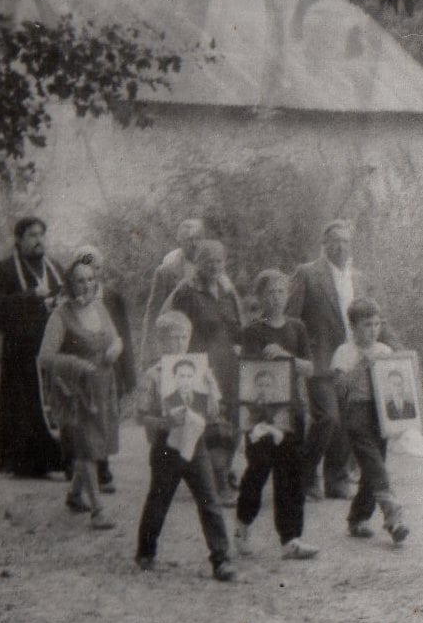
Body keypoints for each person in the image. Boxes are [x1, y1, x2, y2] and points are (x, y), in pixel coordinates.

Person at [134, 311, 236, 580]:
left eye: (183, 337)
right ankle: (146, 552)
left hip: (196, 443)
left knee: (209, 498)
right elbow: (140, 415)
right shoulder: (154, 375)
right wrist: (164, 421)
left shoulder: (201, 371)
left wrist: (213, 403)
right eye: (172, 338)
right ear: (160, 341)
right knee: (159, 499)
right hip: (166, 446)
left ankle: (221, 558)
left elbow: (214, 410)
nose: (179, 343)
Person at [234, 270, 317, 561]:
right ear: (260, 297)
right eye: (270, 292)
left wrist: (286, 356)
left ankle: (291, 539)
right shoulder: (252, 332)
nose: (277, 298)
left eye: (282, 292)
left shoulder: (297, 328)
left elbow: (309, 368)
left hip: (291, 413)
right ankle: (243, 524)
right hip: (260, 414)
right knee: (258, 470)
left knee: (291, 476)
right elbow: (248, 374)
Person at [38, 260, 124, 530]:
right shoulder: (60, 315)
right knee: (86, 446)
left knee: (96, 442)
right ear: (69, 284)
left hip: (102, 385)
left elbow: (116, 338)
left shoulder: (99, 308)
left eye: (90, 279)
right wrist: (76, 365)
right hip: (75, 390)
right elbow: (45, 357)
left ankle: (75, 495)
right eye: (79, 280)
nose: (86, 285)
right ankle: (97, 510)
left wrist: (115, 349)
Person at [287, 220, 363, 499]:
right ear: (324, 244)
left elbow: (372, 318)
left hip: (351, 359)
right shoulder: (307, 274)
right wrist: (294, 357)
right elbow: (291, 318)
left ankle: (337, 479)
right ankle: (305, 477)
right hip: (318, 360)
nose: (341, 246)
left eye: (345, 241)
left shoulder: (358, 277)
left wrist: (397, 348)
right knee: (327, 418)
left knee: (347, 419)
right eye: (335, 241)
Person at [0, 217, 65, 477]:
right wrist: (31, 298)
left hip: (51, 347)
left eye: (42, 234)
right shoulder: (4, 270)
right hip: (21, 349)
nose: (39, 239)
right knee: (24, 405)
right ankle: (25, 464)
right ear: (18, 240)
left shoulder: (54, 268)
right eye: (32, 235)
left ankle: (56, 460)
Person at [165, 237, 243, 501]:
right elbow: (172, 325)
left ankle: (225, 470)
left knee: (233, 418)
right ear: (197, 263)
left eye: (219, 260)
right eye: (208, 260)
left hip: (229, 364)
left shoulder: (227, 289)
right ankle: (217, 482)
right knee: (212, 421)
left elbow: (236, 326)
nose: (214, 265)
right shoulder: (187, 291)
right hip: (201, 363)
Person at [330, 298, 409, 544]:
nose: (373, 330)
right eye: (366, 325)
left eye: (376, 324)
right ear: (353, 327)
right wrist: (361, 366)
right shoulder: (345, 352)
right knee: (373, 462)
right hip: (356, 412)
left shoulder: (384, 351)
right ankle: (393, 516)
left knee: (372, 466)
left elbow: (397, 386)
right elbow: (339, 387)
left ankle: (358, 518)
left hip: (380, 413)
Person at [67, 245, 137, 493]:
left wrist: (129, 374)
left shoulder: (112, 298)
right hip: (82, 369)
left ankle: (94, 469)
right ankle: (99, 471)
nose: (92, 275)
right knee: (89, 419)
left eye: (96, 268)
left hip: (110, 368)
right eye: (86, 268)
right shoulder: (68, 302)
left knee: (107, 418)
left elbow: (123, 334)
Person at [140, 218, 204, 356]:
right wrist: (150, 352)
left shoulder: (211, 269)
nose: (194, 244)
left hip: (203, 342)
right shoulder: (165, 272)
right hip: (176, 342)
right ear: (180, 241)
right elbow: (153, 314)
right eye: (189, 239)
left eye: (198, 238)